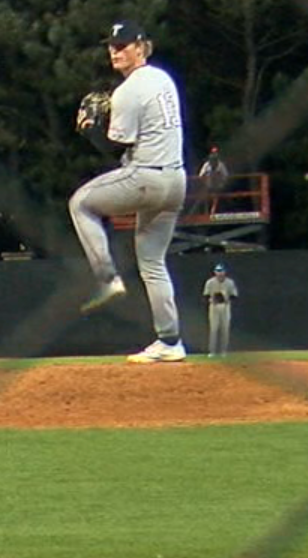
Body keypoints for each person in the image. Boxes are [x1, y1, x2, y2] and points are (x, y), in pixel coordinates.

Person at [69, 19, 189, 364]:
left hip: (146, 177)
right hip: (176, 181)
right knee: (152, 262)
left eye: (122, 45)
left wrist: (89, 129)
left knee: (80, 204)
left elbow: (112, 148)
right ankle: (170, 341)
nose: (115, 51)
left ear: (141, 47)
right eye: (111, 46)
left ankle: (106, 278)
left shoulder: (128, 90)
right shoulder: (163, 78)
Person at [202, 262, 239, 357]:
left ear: (225, 272)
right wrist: (211, 299)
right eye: (218, 271)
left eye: (221, 271)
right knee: (213, 330)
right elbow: (205, 295)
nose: (220, 273)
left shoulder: (230, 282)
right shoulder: (210, 282)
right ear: (214, 272)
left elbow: (234, 295)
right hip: (214, 307)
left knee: (225, 329)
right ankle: (212, 351)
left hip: (225, 306)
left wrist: (226, 299)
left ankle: (223, 351)